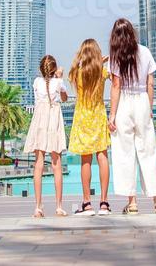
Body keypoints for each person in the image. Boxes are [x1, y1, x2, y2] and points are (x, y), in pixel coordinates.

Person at [108, 18, 156, 214]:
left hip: (124, 101)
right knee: (148, 151)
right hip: (142, 100)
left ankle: (132, 202)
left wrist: (112, 115)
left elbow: (116, 86)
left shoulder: (115, 56)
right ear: (132, 32)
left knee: (125, 154)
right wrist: (149, 107)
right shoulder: (145, 51)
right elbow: (150, 84)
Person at [68, 38, 112, 216]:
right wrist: (100, 62)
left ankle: (87, 204)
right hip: (98, 116)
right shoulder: (102, 72)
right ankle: (104, 203)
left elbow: (74, 69)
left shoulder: (76, 73)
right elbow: (116, 77)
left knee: (85, 161)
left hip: (82, 118)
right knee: (102, 157)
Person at [23, 54, 69, 219]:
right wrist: (60, 77)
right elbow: (64, 98)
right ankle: (58, 206)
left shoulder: (36, 82)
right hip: (53, 119)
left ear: (41, 70)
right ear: (55, 68)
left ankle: (38, 206)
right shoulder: (59, 82)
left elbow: (38, 98)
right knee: (57, 164)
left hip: (39, 120)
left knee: (38, 164)